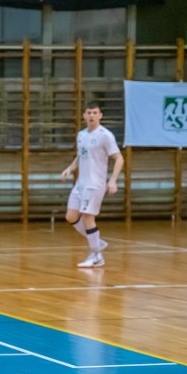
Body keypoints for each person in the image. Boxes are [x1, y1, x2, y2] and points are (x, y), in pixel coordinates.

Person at [61, 102, 124, 268]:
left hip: (95, 184)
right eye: (89, 112)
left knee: (88, 217)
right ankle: (97, 242)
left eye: (95, 113)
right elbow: (80, 156)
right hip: (80, 184)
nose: (91, 116)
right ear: (84, 115)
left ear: (100, 115)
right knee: (71, 217)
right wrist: (70, 168)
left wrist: (112, 180)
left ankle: (96, 255)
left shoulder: (105, 135)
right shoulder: (81, 135)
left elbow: (119, 158)